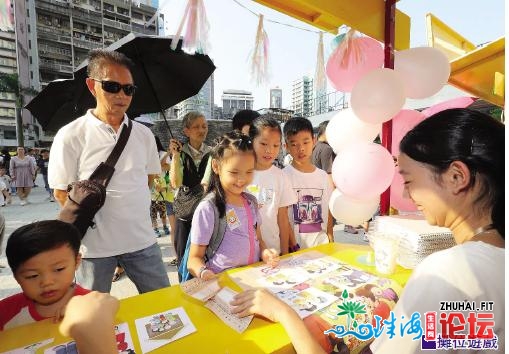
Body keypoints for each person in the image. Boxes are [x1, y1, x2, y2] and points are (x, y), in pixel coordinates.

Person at [232, 108, 505, 354]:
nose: (407, 195)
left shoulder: (449, 272)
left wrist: (282, 311)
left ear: (457, 177)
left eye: (409, 180)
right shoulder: (490, 263)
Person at [48, 49, 169, 293]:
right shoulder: (71, 135)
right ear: (92, 86)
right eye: (112, 86)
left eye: (129, 89)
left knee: (164, 306)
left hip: (142, 242)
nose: (122, 95)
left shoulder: (144, 134)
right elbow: (61, 192)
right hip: (94, 250)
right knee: (92, 317)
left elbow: (147, 179)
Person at [187, 131, 279, 280]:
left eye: (249, 171)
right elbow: (194, 259)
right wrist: (204, 273)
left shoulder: (251, 202)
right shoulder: (208, 208)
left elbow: (258, 239)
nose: (241, 179)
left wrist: (265, 253)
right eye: (234, 172)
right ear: (216, 166)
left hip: (253, 277)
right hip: (222, 282)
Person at [0, 220, 90, 330]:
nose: (47, 282)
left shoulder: (92, 304)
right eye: (32, 276)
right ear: (15, 276)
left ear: (76, 261)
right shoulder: (5, 312)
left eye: (59, 269)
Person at [169, 111, 211, 275]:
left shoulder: (212, 152)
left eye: (204, 126)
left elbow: (207, 184)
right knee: (183, 258)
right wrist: (176, 156)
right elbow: (175, 183)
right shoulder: (180, 152)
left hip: (206, 212)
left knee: (204, 256)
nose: (202, 130)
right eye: (196, 127)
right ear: (186, 131)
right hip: (184, 213)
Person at [247, 116, 296, 254]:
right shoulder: (242, 174)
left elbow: (283, 218)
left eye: (275, 145)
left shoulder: (281, 177)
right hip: (246, 255)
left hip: (274, 251)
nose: (269, 150)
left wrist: (285, 252)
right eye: (264, 144)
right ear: (251, 141)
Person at [282, 117, 334, 248]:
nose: (301, 149)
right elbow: (282, 217)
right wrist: (290, 244)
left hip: (321, 244)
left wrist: (330, 234)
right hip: (295, 246)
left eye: (306, 142)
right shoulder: (283, 176)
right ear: (286, 146)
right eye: (294, 144)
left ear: (314, 141)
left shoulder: (323, 176)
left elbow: (327, 208)